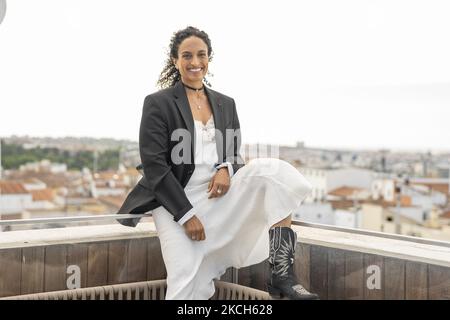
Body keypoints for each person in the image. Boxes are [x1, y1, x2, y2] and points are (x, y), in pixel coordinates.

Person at [117, 26, 318, 300]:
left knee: (276, 175)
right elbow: (155, 166)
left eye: (201, 55)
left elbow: (233, 151)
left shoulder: (226, 103)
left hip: (218, 195)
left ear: (209, 58)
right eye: (187, 56)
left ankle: (281, 274)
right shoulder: (158, 103)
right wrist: (186, 215)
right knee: (187, 285)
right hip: (174, 201)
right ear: (175, 60)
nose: (195, 62)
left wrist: (226, 168)